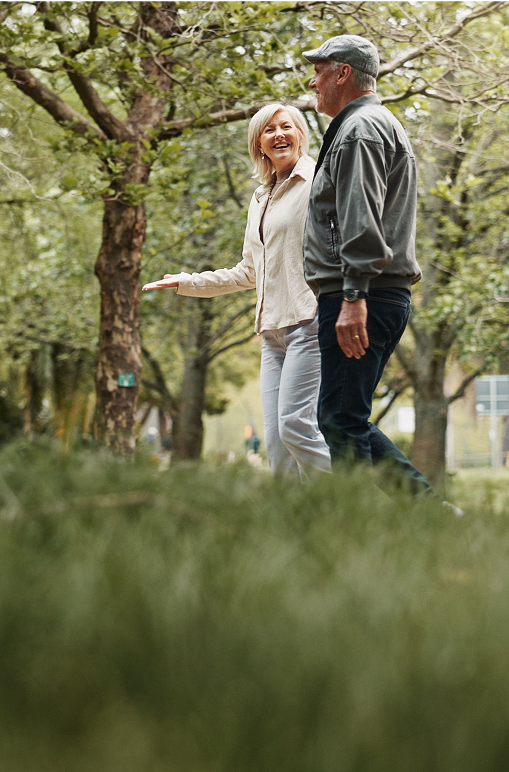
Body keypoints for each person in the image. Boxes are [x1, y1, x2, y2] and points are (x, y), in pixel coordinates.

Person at [142, 104, 331, 478]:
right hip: (272, 334)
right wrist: (188, 281)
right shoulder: (261, 197)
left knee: (297, 426)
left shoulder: (317, 182)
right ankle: (298, 528)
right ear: (259, 143)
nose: (278, 135)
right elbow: (250, 270)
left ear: (300, 135)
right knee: (277, 446)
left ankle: (357, 504)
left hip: (308, 323)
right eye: (269, 130)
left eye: (286, 127)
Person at [302, 34, 432, 495]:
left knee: (340, 419)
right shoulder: (365, 126)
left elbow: (360, 218)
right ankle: (427, 512)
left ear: (342, 73)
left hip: (362, 295)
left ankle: (366, 528)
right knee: (343, 416)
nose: (312, 80)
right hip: (368, 293)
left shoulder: (361, 130)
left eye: (319, 70)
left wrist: (353, 295)